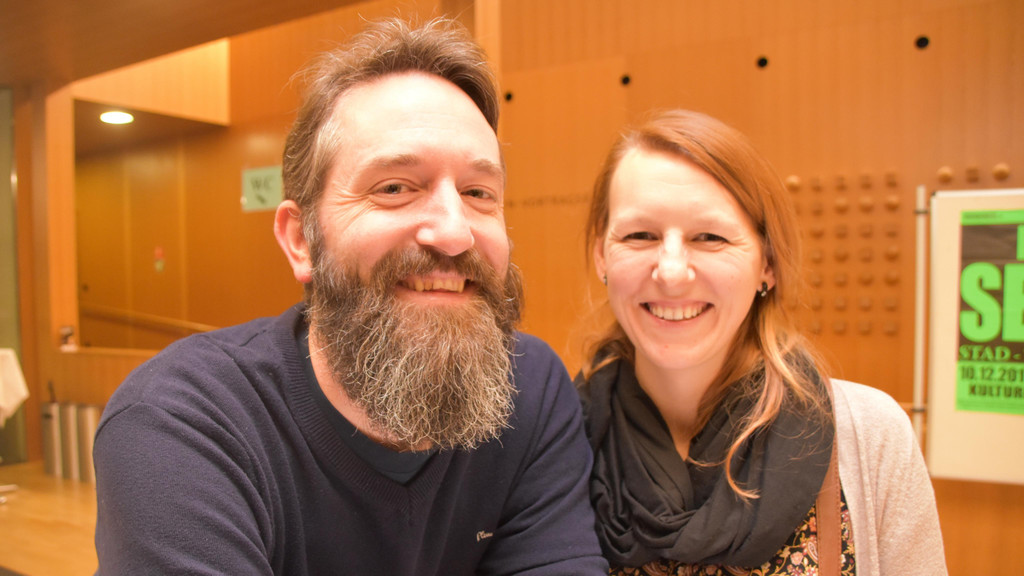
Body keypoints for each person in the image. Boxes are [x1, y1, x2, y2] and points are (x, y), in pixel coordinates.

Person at [93, 17, 607, 575]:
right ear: (301, 240)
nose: (455, 232)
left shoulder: (530, 389)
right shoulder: (184, 425)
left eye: (478, 192)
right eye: (395, 188)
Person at [575, 109, 947, 575]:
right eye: (640, 235)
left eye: (709, 237)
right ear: (602, 255)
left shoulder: (869, 438)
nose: (670, 272)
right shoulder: (558, 444)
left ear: (766, 264)